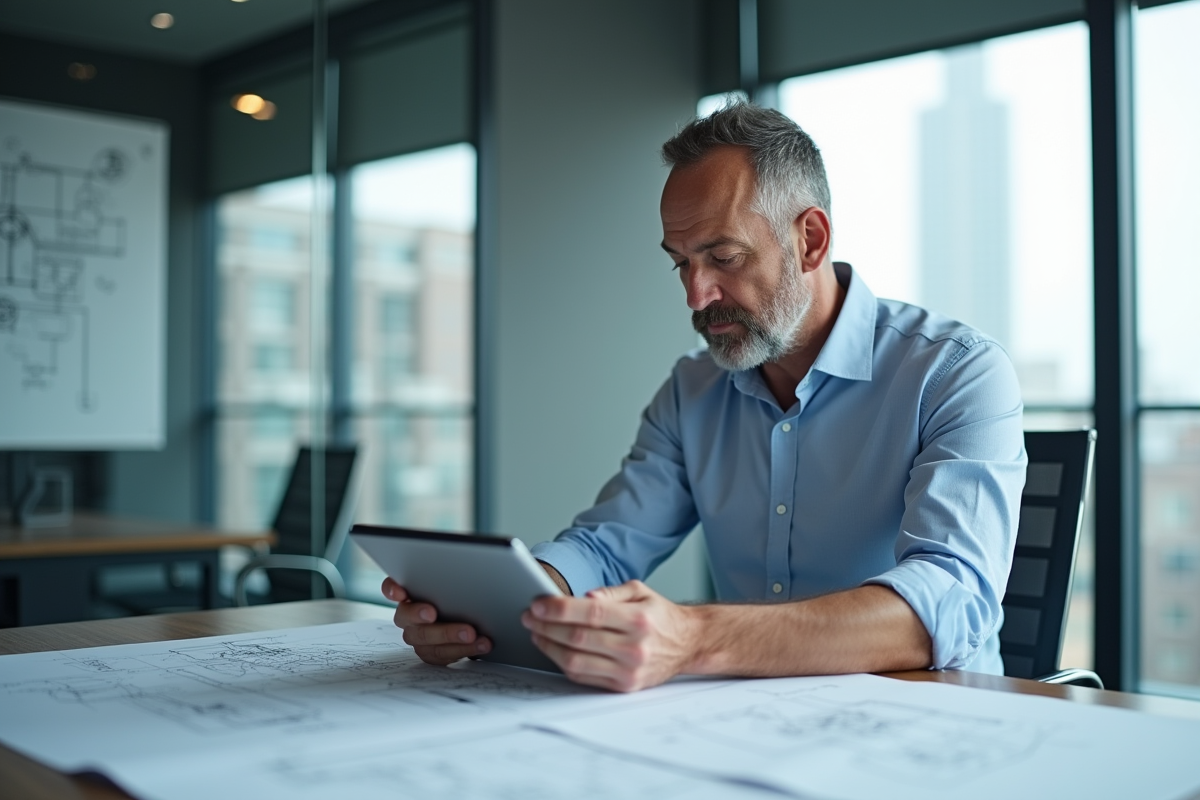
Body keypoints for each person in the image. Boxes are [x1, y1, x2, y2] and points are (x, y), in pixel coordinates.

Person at [383, 101, 1026, 692]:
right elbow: (609, 544)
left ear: (810, 240)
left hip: (926, 720)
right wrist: (509, 606)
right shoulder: (694, 390)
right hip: (744, 720)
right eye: (681, 262)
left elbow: (948, 597)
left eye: (724, 257)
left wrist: (696, 640)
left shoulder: (956, 373)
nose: (696, 295)